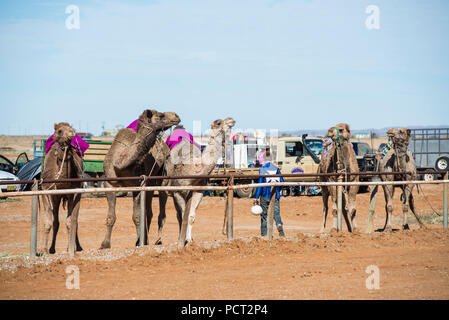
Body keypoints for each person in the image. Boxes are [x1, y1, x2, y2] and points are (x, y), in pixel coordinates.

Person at [253, 161, 285, 237]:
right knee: (276, 214)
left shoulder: (262, 170)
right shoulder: (276, 169)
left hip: (264, 195)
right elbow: (282, 181)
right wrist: (277, 191)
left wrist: (256, 197)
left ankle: (264, 234)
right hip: (275, 195)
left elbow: (260, 184)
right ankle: (279, 225)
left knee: (264, 215)